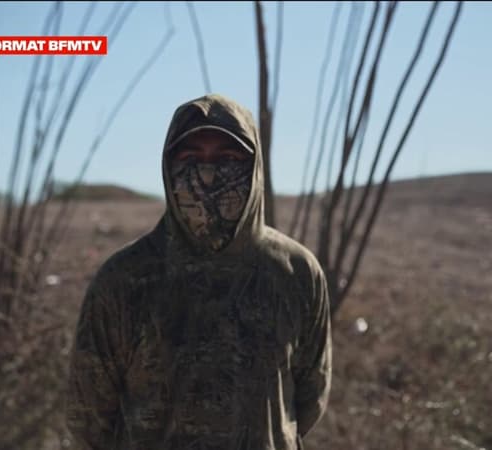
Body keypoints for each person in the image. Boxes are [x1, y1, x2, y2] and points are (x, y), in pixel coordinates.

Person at [66, 94, 332, 450]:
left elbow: (309, 397)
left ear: (253, 168)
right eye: (191, 158)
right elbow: (89, 416)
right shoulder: (125, 279)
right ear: (168, 167)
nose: (207, 174)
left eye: (228, 158)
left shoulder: (295, 272)